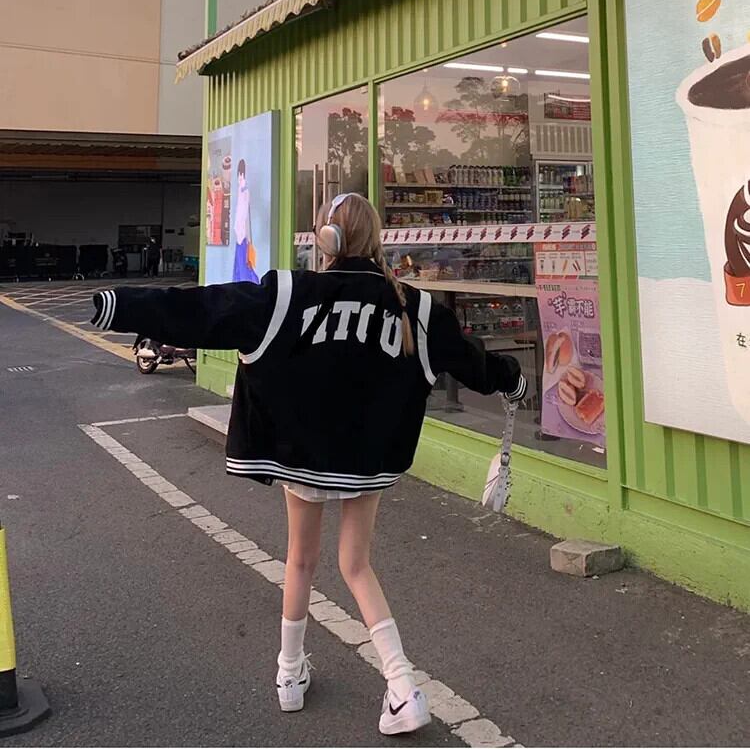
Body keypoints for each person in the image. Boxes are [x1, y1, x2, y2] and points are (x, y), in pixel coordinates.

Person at [91, 193, 526, 736]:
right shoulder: (414, 308)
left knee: (300, 561)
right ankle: (401, 685)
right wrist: (513, 381)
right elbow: (472, 361)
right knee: (356, 565)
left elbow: (204, 310)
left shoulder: (288, 294)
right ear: (376, 239)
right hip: (367, 461)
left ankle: (290, 675)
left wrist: (120, 304)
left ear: (326, 240)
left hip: (301, 457)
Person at [232, 158, 260, 284]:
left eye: (241, 175)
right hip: (241, 236)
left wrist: (248, 239)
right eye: (239, 175)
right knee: (240, 269)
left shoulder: (244, 192)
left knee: (243, 269)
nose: (239, 178)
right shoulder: (241, 191)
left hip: (242, 237)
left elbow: (244, 218)